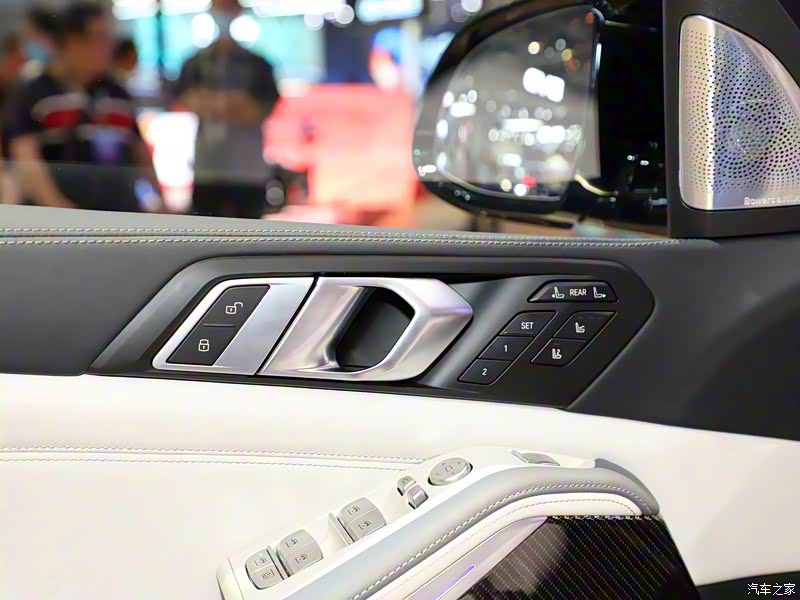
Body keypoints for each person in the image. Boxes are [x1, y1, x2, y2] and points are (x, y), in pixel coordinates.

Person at [3, 2, 163, 212]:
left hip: (121, 214)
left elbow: (139, 150)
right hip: (62, 218)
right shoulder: (34, 94)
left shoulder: (117, 92)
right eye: (101, 38)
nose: (109, 48)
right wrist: (57, 208)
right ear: (73, 42)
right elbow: (24, 154)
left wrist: (162, 203)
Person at [175, 0, 280, 218]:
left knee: (248, 231)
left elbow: (257, 110)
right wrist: (231, 104)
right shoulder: (196, 63)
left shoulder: (258, 65)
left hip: (248, 171)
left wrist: (212, 103)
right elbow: (187, 99)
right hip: (207, 169)